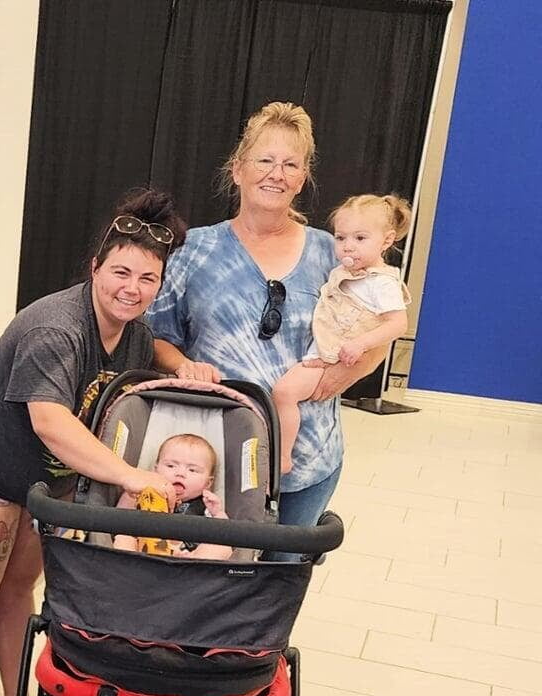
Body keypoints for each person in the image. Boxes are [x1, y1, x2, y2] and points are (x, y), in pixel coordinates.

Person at [0, 187, 187, 696]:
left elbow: (154, 347)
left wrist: (184, 364)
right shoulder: (58, 329)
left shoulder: (132, 328)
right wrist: (130, 476)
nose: (132, 288)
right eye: (120, 272)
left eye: (148, 280)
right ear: (94, 267)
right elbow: (49, 421)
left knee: (21, 584)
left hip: (42, 478)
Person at [147, 102, 346, 528]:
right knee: (210, 577)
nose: (277, 173)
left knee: (283, 581)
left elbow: (377, 328)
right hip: (216, 456)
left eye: (291, 164)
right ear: (237, 169)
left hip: (308, 459)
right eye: (265, 160)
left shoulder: (331, 252)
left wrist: (345, 374)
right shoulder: (194, 249)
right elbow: (154, 336)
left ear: (302, 179)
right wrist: (183, 365)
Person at [270, 195, 412, 473]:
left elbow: (397, 324)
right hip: (321, 350)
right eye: (341, 238)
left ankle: (283, 456)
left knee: (284, 392)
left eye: (360, 238)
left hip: (332, 358)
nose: (348, 246)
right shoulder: (344, 272)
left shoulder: (381, 283)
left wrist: (361, 344)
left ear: (386, 241)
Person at [112, 434, 233, 561]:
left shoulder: (207, 505)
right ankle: (128, 565)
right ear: (156, 470)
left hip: (187, 553)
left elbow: (225, 533)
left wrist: (218, 513)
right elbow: (119, 518)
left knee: (222, 546)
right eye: (171, 466)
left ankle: (193, 561)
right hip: (144, 550)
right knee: (123, 537)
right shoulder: (145, 493)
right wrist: (130, 496)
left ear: (208, 483)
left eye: (192, 470)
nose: (180, 473)